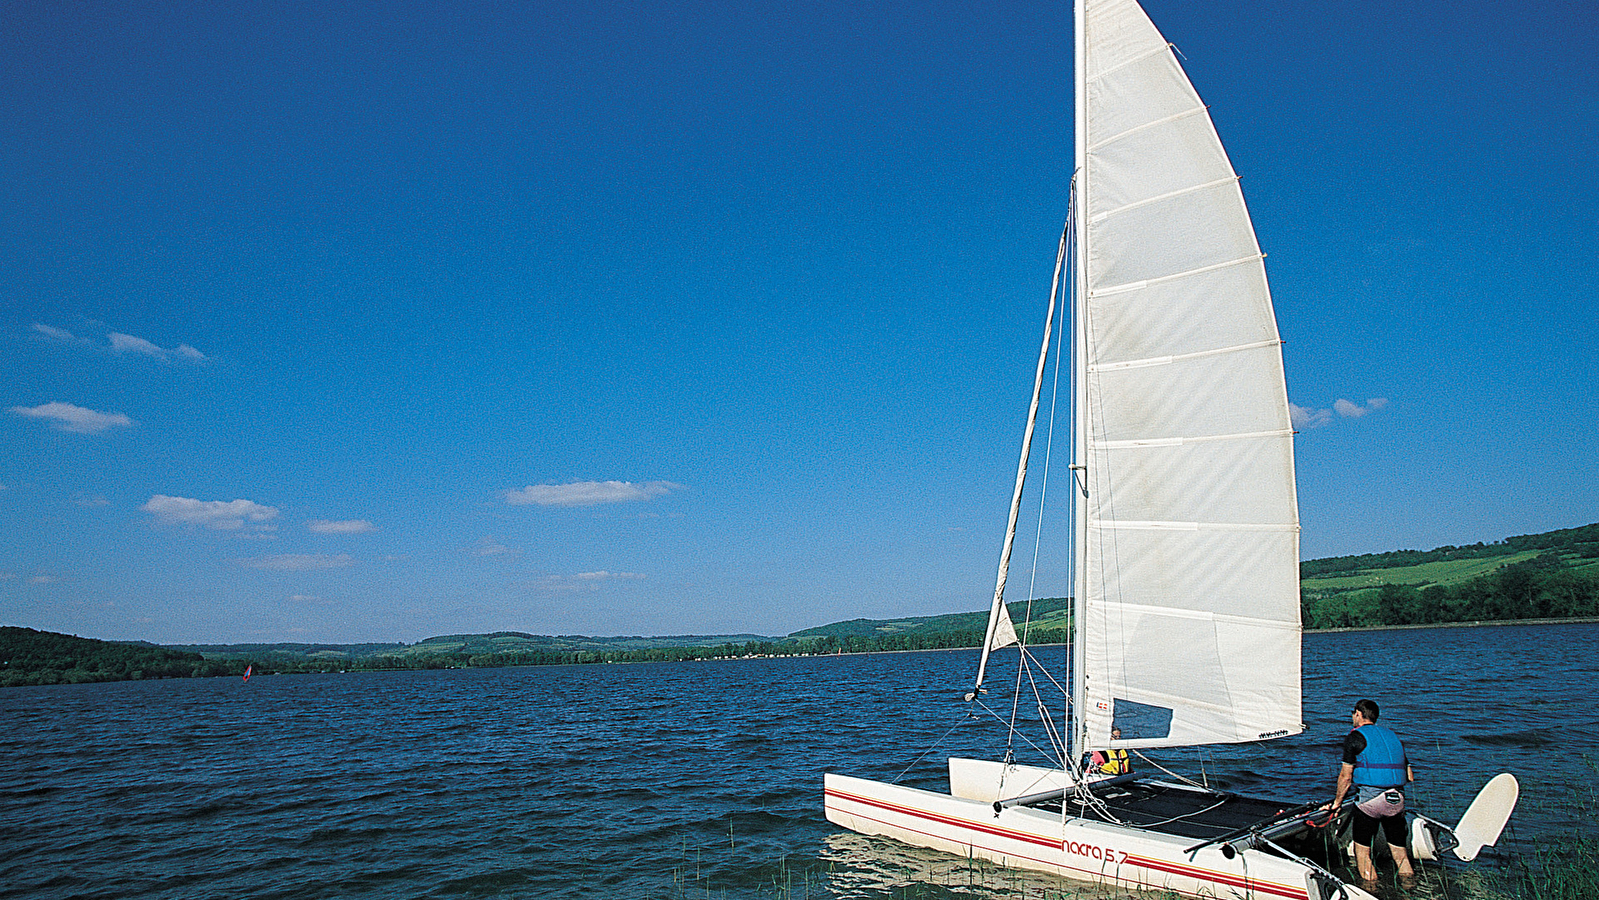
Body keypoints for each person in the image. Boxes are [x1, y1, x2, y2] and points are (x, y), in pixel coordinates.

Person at [1328, 699, 1415, 885]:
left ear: (1358, 714)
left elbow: (1345, 777)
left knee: (1363, 854)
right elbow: (1410, 776)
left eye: (1353, 714)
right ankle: (1410, 891)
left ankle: (1371, 891)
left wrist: (1336, 804)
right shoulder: (1392, 736)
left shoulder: (1355, 737)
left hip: (1370, 803)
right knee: (1401, 856)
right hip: (1397, 800)